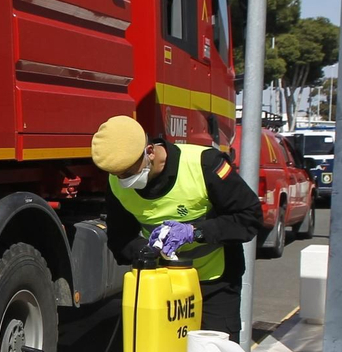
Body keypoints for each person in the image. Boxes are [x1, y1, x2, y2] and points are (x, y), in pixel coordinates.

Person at [90, 115, 263, 339]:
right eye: (117, 174)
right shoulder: (118, 184)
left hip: (214, 281)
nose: (124, 180)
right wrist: (145, 250)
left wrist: (195, 232)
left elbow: (249, 216)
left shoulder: (204, 164)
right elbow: (119, 238)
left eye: (129, 173)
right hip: (163, 284)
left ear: (149, 151)